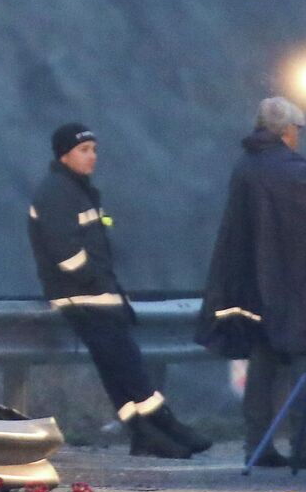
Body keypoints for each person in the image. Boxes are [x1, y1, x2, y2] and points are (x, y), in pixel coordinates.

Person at [198, 97, 306, 470]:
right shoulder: (291, 169)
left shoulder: (246, 166)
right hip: (292, 282)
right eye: (298, 130)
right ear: (288, 130)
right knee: (304, 360)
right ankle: (305, 445)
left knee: (262, 363)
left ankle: (258, 446)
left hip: (252, 282)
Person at [28, 123, 212, 458]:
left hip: (96, 294)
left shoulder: (77, 190)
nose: (92, 157)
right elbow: (65, 252)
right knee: (127, 363)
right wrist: (95, 281)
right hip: (83, 297)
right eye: (84, 151)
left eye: (94, 150)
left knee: (116, 366)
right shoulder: (57, 192)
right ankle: (163, 423)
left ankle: (143, 432)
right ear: (65, 155)